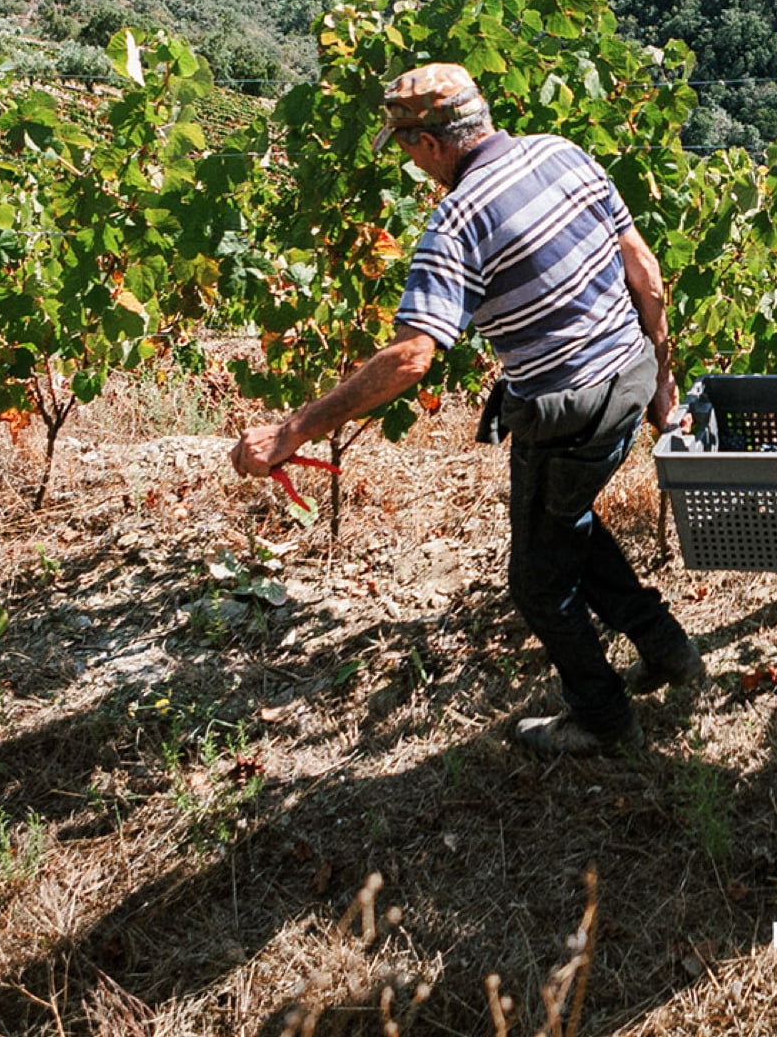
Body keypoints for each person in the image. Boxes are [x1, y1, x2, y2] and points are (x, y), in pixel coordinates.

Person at [230, 63, 705, 756]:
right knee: (565, 522)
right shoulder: (561, 151)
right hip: (628, 381)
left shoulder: (456, 223)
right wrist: (660, 382)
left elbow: (411, 358)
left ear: (427, 143)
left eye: (403, 147)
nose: (408, 163)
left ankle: (606, 722)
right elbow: (644, 268)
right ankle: (668, 652)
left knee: (538, 585)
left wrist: (290, 429)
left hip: (566, 413)